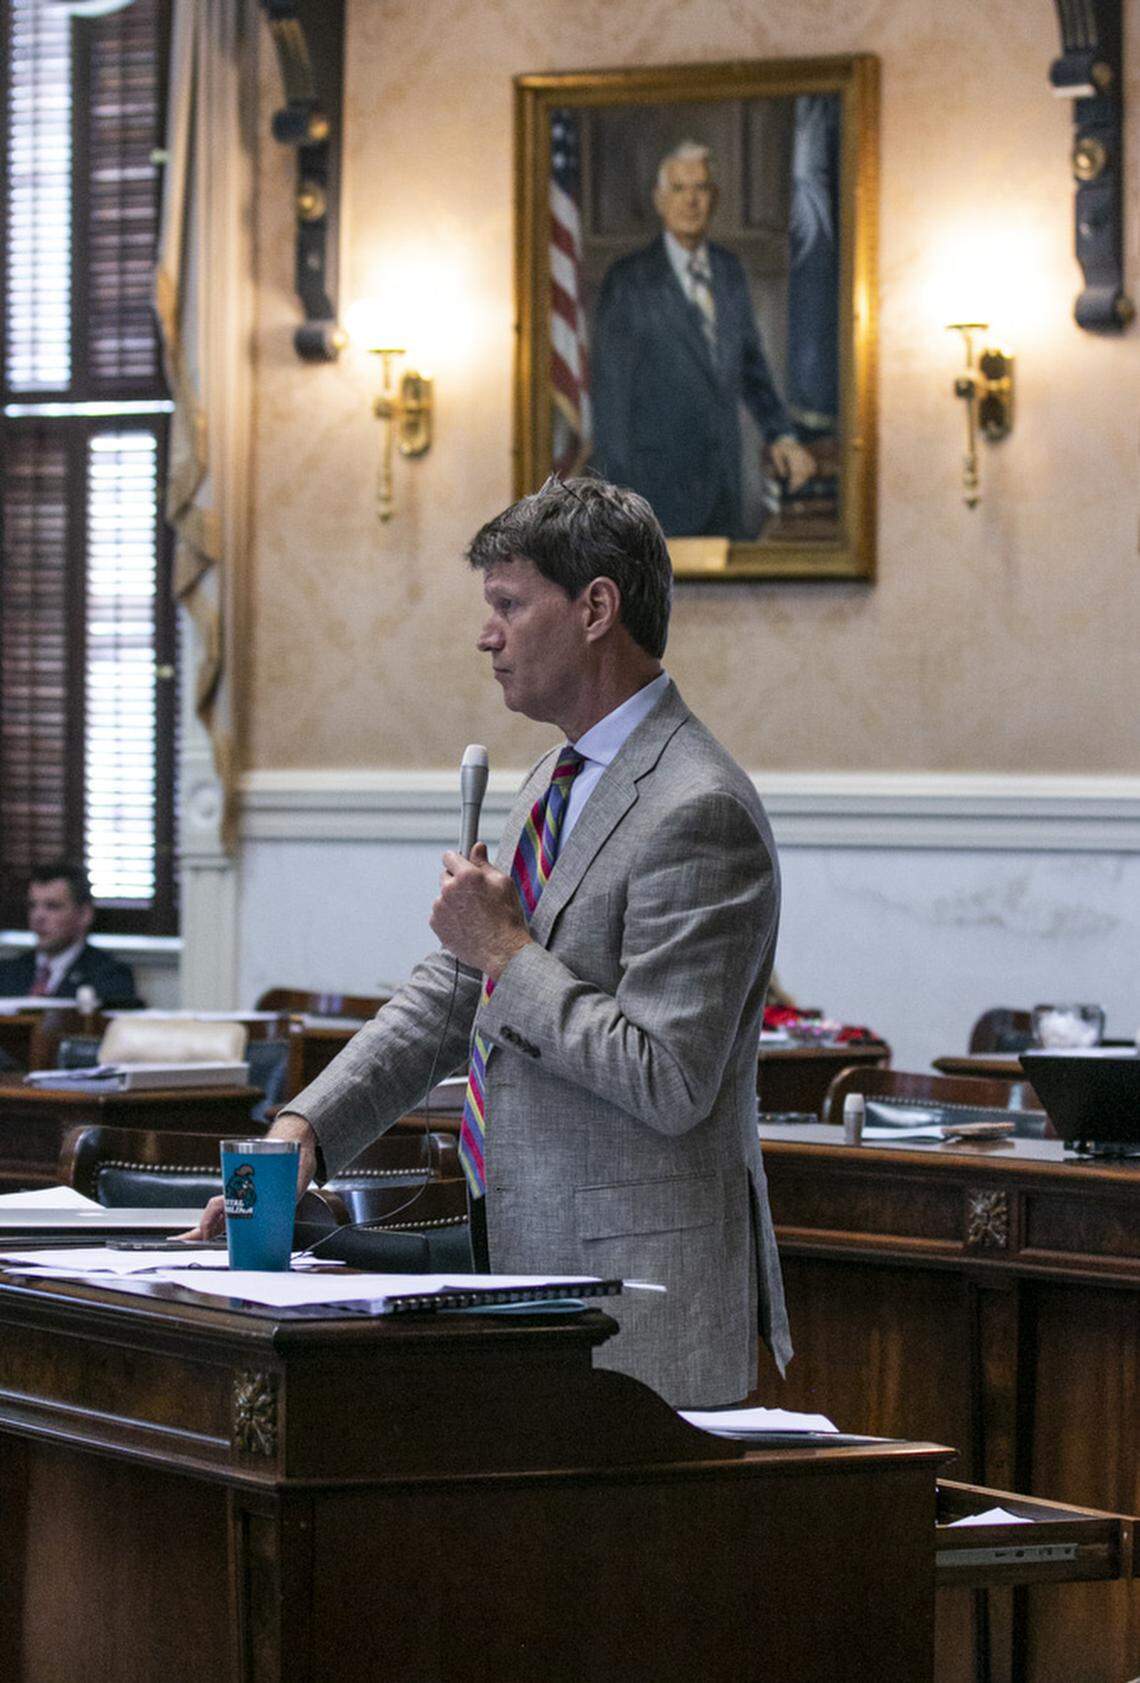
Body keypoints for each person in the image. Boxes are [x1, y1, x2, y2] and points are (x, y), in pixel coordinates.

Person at [190, 478, 790, 1408]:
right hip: (521, 1264)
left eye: (509, 605)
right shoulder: (556, 776)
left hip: (640, 1302)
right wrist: (305, 1132)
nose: (486, 634)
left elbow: (669, 1079)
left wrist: (506, 950)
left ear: (595, 607)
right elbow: (453, 990)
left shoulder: (698, 806)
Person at [591, 140, 815, 540]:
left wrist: (781, 434)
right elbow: (612, 408)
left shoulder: (729, 272)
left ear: (714, 198)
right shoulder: (629, 281)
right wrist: (622, 513)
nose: (691, 201)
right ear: (660, 200)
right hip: (654, 503)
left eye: (701, 189)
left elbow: (750, 367)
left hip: (725, 493)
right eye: (679, 189)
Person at [0, 863, 141, 1009]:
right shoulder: (6, 973)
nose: (38, 916)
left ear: (84, 915)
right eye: (32, 906)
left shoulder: (110, 976)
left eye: (52, 906)